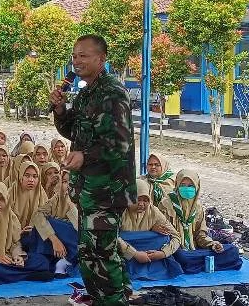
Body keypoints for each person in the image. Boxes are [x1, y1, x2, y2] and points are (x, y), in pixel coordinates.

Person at [50, 34, 137, 306]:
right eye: (74, 55)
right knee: (92, 252)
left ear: (102, 59)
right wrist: (61, 109)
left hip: (108, 190)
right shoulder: (87, 92)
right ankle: (117, 297)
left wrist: (84, 156)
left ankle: (112, 301)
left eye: (84, 56)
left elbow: (120, 143)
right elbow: (71, 131)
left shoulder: (112, 92)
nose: (77, 61)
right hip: (89, 189)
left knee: (100, 253)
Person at [160, 169, 242, 274]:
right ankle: (209, 263)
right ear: (177, 185)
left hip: (195, 250)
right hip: (175, 250)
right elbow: (164, 235)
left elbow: (201, 235)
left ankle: (198, 264)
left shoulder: (197, 206)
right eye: (183, 185)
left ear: (197, 187)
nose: (187, 188)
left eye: (191, 186)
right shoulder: (166, 204)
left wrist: (212, 244)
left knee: (233, 250)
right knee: (181, 257)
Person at [118, 179, 183, 281]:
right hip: (123, 254)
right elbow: (111, 236)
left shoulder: (153, 211)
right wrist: (134, 254)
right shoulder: (119, 211)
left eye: (145, 200)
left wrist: (162, 254)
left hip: (147, 252)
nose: (141, 204)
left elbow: (176, 236)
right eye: (138, 199)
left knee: (164, 237)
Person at [30, 170, 79, 278]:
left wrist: (70, 204)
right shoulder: (58, 198)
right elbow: (38, 215)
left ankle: (65, 260)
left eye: (73, 181)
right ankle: (54, 261)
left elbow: (81, 227)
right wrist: (54, 239)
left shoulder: (87, 199)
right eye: (65, 182)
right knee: (42, 223)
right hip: (59, 244)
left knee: (51, 222)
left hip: (80, 244)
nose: (69, 185)